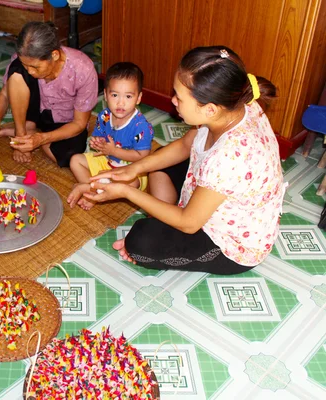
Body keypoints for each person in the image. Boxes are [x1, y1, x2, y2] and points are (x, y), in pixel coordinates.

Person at [84, 46, 285, 275]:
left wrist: (127, 191)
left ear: (209, 109)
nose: (173, 101)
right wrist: (134, 168)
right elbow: (186, 144)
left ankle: (166, 223)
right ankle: (168, 217)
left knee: (140, 242)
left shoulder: (230, 156)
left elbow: (190, 223)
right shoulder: (234, 104)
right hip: (211, 191)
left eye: (179, 97)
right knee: (157, 166)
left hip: (232, 244)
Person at [0, 21, 98, 167]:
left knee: (70, 157)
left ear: (54, 55)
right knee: (17, 72)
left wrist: (41, 139)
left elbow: (79, 123)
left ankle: (33, 134)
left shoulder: (82, 69)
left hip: (64, 120)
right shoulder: (22, 62)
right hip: (35, 113)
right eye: (26, 65)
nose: (30, 71)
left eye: (35, 67)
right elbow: (5, 95)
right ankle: (21, 135)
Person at [67, 62, 153, 210]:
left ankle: (89, 190)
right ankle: (95, 189)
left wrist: (114, 151)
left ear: (138, 98)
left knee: (131, 185)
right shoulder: (104, 116)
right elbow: (99, 136)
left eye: (128, 96)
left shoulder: (141, 126)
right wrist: (97, 142)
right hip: (107, 161)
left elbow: (142, 156)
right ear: (105, 95)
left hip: (130, 169)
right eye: (114, 95)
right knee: (75, 160)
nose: (120, 102)